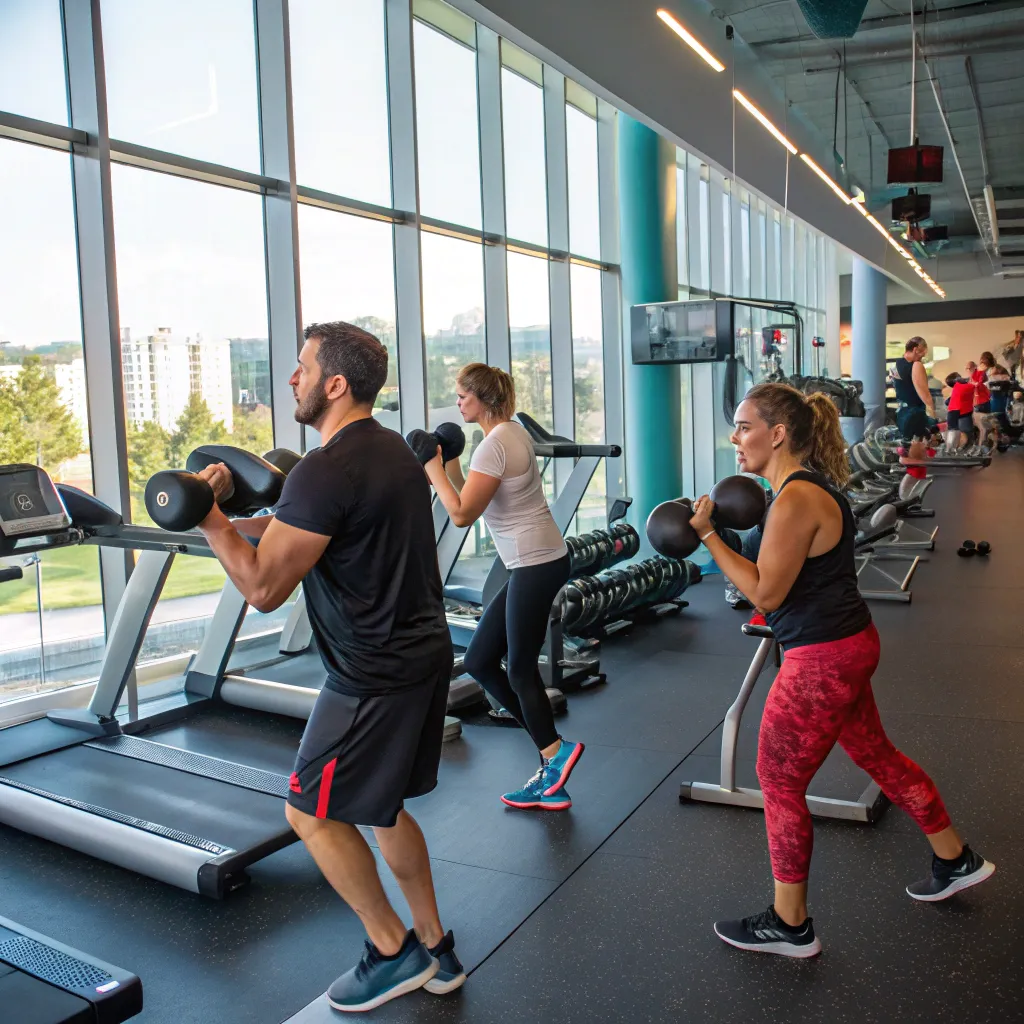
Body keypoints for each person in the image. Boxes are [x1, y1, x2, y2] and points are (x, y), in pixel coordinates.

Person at [192, 322, 465, 1012]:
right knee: (380, 807)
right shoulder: (392, 454)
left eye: (303, 368)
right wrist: (231, 513)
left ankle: (390, 949)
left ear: (335, 384)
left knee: (309, 810)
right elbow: (307, 528)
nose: (292, 379)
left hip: (371, 673)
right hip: (422, 652)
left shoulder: (326, 468)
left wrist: (205, 518)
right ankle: (435, 944)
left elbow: (261, 588)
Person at [688, 382, 994, 958]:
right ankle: (955, 858)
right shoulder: (799, 491)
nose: (735, 437)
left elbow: (767, 594)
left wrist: (706, 536)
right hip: (847, 644)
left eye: (744, 426)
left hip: (820, 659)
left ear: (778, 434)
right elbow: (773, 566)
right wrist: (719, 530)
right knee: (876, 753)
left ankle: (790, 924)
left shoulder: (797, 499)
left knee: (779, 782)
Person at [423, 363, 584, 811]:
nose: (456, 402)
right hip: (536, 560)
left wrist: (431, 467)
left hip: (536, 562)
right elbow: (469, 494)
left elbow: (460, 514)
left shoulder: (495, 445)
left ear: (480, 398)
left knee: (518, 669)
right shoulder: (507, 435)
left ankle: (555, 754)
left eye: (461, 395)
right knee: (478, 660)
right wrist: (449, 462)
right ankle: (553, 768)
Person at [889, 337, 935, 440]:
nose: (923, 356)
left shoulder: (895, 365)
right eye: (923, 352)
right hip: (915, 412)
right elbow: (924, 394)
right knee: (919, 448)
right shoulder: (917, 365)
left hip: (902, 412)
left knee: (905, 449)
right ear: (915, 349)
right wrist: (933, 412)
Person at [943, 372, 976, 452]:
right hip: (965, 413)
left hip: (955, 413)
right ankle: (961, 449)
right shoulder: (965, 386)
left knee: (955, 432)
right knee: (966, 433)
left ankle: (951, 449)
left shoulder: (957, 389)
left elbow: (947, 402)